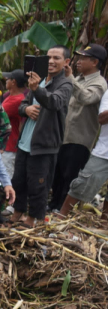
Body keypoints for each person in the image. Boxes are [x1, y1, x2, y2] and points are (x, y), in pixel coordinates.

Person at [10, 46, 74, 227]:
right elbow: (22, 105)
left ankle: (32, 219)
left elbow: (54, 102)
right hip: (25, 142)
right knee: (19, 180)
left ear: (66, 62)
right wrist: (27, 109)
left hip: (44, 144)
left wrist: (37, 88)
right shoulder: (39, 80)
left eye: (57, 58)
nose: (52, 61)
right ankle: (17, 212)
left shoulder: (65, 84)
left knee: (38, 184)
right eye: (49, 58)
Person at [49, 44, 108, 211]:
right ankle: (53, 205)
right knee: (58, 174)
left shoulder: (99, 83)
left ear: (95, 62)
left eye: (83, 58)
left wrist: (71, 79)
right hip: (65, 135)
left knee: (70, 176)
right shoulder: (79, 79)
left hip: (80, 139)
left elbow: (86, 98)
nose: (78, 61)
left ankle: (61, 210)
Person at [59, 89, 108, 219]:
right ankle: (62, 216)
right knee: (83, 182)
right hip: (104, 152)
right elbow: (102, 118)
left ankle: (104, 222)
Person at [0, 69, 27, 179]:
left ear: (13, 82)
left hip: (8, 146)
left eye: (8, 79)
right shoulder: (11, 96)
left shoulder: (16, 100)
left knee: (5, 180)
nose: (6, 80)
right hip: (5, 146)